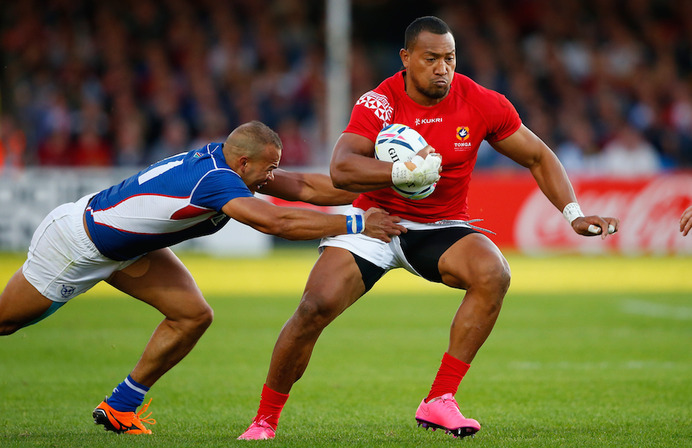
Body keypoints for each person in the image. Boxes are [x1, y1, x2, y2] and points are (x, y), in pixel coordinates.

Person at [239, 17, 619, 440]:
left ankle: (440, 399)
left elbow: (537, 156)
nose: (443, 68)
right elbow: (341, 169)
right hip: (376, 220)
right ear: (406, 59)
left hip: (439, 224)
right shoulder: (379, 102)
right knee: (314, 308)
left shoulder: (481, 102)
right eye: (432, 58)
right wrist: (401, 172)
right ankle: (264, 420)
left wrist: (573, 213)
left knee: (494, 274)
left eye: (450, 58)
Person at [0, 121, 408, 435]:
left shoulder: (228, 162)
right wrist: (356, 220)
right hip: (77, 244)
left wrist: (391, 180)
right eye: (269, 169)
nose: (273, 177)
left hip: (125, 249)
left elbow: (303, 186)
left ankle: (120, 406)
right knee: (7, 321)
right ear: (244, 163)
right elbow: (276, 220)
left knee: (192, 315)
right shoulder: (215, 181)